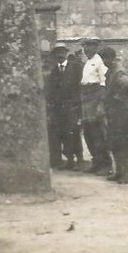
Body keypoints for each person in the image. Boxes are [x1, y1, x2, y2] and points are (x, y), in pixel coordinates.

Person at [99, 46, 128, 184]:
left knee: (124, 143)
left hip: (123, 114)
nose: (104, 61)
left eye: (105, 58)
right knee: (115, 142)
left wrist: (115, 100)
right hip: (115, 114)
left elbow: (127, 87)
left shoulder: (119, 72)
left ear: (111, 58)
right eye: (102, 59)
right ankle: (120, 171)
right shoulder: (111, 72)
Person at [45, 42, 84, 171]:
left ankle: (79, 159)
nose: (60, 55)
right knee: (64, 134)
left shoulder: (76, 68)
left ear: (66, 53)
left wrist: (78, 107)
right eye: (57, 53)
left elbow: (80, 88)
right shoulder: (54, 72)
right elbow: (50, 92)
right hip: (59, 109)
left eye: (62, 52)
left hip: (73, 107)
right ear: (54, 56)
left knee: (74, 133)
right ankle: (70, 160)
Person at [80, 36, 112, 174]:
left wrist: (100, 104)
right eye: (85, 46)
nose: (86, 49)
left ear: (96, 47)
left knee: (98, 132)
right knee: (88, 131)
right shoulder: (87, 62)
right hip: (86, 97)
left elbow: (104, 84)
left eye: (89, 46)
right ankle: (96, 162)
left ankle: (105, 164)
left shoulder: (100, 61)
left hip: (95, 96)